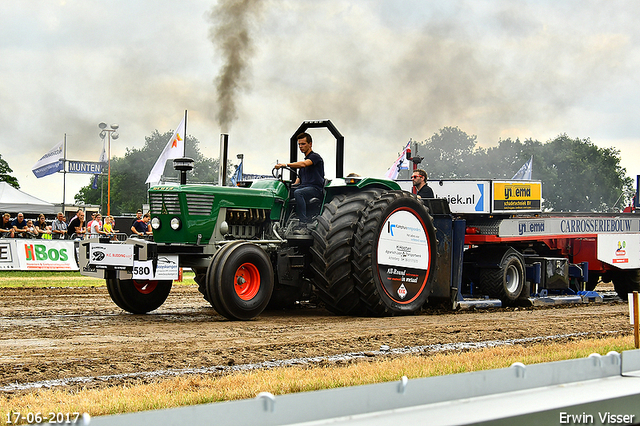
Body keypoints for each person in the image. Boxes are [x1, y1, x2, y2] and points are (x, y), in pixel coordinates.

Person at [274, 132, 325, 230]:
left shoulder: (315, 157)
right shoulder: (303, 164)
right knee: (284, 193)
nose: (300, 146)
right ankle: (281, 223)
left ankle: (303, 223)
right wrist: (290, 186)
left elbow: (303, 164)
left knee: (298, 193)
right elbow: (299, 179)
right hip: (304, 187)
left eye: (303, 144)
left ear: (310, 144)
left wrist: (285, 165)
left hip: (315, 188)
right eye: (299, 144)